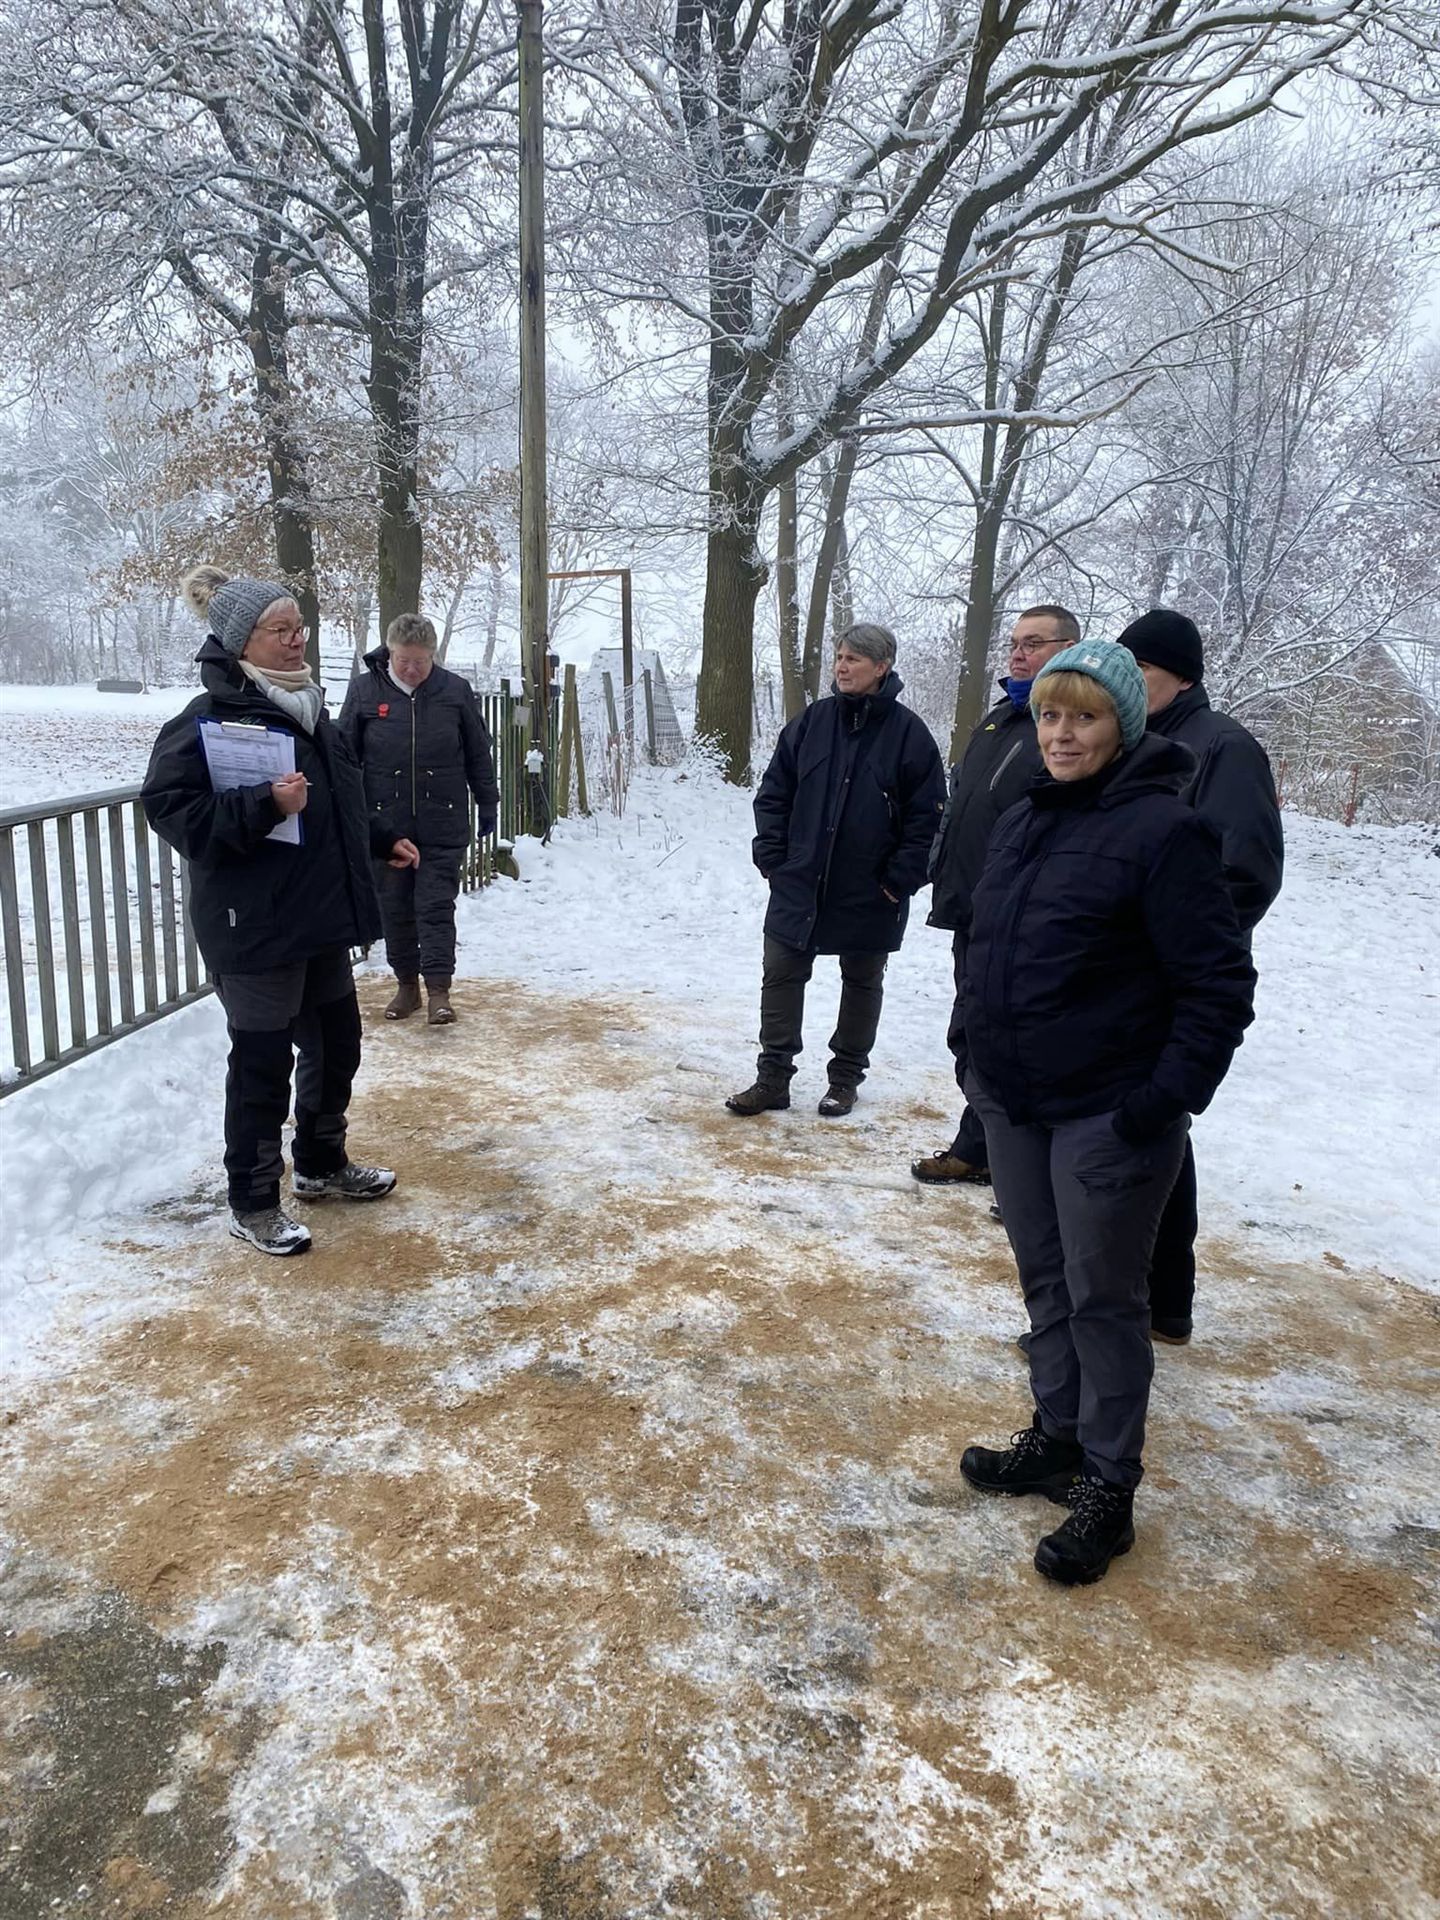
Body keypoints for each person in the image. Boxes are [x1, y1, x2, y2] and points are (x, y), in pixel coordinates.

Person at [957, 642, 1255, 1585]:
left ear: (1121, 725)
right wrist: (972, 1052)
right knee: (1045, 1283)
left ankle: (1109, 1485)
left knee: (1104, 1301)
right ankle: (1058, 1437)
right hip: (1015, 1103)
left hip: (1107, 1115)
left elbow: (1218, 987)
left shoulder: (1167, 832)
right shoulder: (1025, 817)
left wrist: (1158, 1103)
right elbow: (989, 945)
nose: (1060, 734)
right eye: (1049, 715)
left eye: (1082, 717)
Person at [142, 566, 419, 1257]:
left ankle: (321, 1164)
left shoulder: (307, 707)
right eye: (280, 629)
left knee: (337, 1044)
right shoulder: (206, 719)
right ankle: (254, 1200)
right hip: (255, 926)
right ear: (242, 641)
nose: (298, 640)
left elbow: (337, 799)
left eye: (300, 627)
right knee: (262, 1068)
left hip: (317, 916)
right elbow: (173, 813)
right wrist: (264, 804)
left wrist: (380, 837)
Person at [1118, 609, 1284, 1344]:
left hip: (1171, 980)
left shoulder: (1224, 747)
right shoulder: (1129, 741)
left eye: (1143, 670)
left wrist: (1166, 942)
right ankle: (1154, 1302)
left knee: (1154, 1135)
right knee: (1143, 1139)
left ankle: (1155, 1303)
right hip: (1118, 977)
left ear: (1181, 677)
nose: (1129, 681)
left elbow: (1246, 874)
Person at [726, 622, 946, 1117]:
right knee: (780, 972)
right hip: (800, 880)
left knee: (862, 982)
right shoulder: (812, 722)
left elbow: (929, 818)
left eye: (853, 659)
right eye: (839, 657)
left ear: (882, 667)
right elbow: (774, 793)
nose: (842, 667)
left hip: (871, 887)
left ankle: (845, 1079)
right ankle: (773, 1078)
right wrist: (773, 858)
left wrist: (899, 880)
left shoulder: (909, 735)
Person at [912, 604, 1079, 1188]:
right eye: (1014, 643)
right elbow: (963, 802)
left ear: (1067, 650)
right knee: (973, 1034)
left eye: (1033, 643)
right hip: (973, 907)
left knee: (1013, 1042)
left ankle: (1024, 1171)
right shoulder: (999, 719)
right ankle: (982, 1149)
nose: (1018, 653)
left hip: (1024, 918)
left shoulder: (1067, 733)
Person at [338, 613, 499, 1026]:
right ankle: (406, 985)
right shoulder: (364, 691)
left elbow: (478, 751)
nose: (412, 669)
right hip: (385, 826)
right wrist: (352, 815)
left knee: (435, 906)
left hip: (442, 820)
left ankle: (439, 991)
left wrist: (487, 801)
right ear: (389, 653)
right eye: (403, 660)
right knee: (394, 908)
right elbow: (344, 759)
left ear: (433, 656)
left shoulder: (454, 691)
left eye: (421, 661)